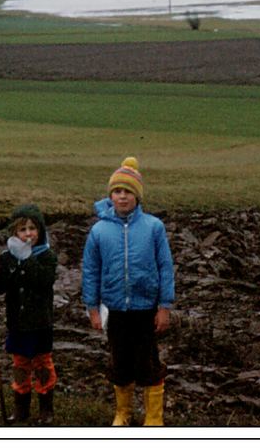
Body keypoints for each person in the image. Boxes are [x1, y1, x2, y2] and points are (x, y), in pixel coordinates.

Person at [82, 157, 175, 426]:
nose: (122, 197)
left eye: (128, 192)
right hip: (115, 310)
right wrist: (92, 308)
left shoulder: (153, 227)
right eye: (117, 191)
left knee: (148, 363)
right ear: (110, 195)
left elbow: (165, 267)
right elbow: (90, 271)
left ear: (137, 195)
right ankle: (123, 413)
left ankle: (154, 418)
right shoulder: (98, 231)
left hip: (146, 308)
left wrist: (165, 306)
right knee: (120, 363)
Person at [0, 204, 58, 425]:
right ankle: (20, 409)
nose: (28, 233)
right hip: (17, 324)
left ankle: (46, 409)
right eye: (22, 229)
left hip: (40, 324)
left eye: (32, 228)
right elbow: (2, 286)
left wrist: (27, 258)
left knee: (42, 364)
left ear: (40, 231)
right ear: (14, 233)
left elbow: (44, 281)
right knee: (20, 365)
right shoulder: (6, 258)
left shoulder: (47, 256)